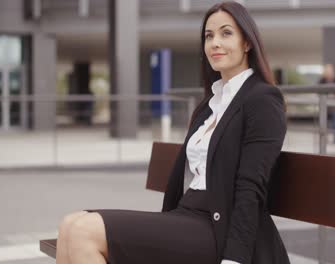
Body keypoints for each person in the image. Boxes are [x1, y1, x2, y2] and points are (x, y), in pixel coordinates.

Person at [56, 2, 289, 264]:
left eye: (226, 33)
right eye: (208, 36)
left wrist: (234, 258)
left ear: (247, 43)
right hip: (187, 216)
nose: (215, 43)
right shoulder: (210, 104)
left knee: (83, 232)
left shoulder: (262, 98)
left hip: (219, 230)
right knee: (70, 224)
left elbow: (251, 186)